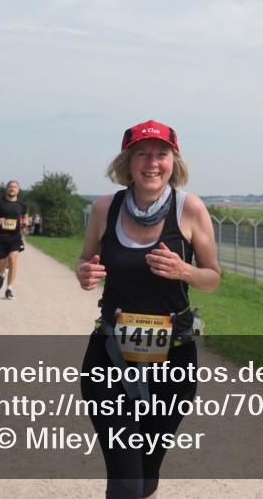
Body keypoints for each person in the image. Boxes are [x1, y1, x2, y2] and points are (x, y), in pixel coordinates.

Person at [76, 119, 220, 499]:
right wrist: (86, 272)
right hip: (110, 356)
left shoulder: (190, 209)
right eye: (143, 153)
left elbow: (213, 277)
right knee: (125, 480)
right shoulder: (106, 207)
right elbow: (85, 261)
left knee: (146, 474)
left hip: (172, 359)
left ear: (174, 161)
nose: (152, 163)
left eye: (162, 154)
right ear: (128, 161)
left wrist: (184, 270)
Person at [0, 180, 28, 300]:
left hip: (15, 237)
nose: (12, 189)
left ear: (18, 190)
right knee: (1, 264)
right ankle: (2, 274)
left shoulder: (22, 205)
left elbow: (26, 216)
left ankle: (9, 288)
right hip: (0, 237)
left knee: (12, 260)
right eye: (10, 187)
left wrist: (26, 222)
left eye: (15, 187)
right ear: (6, 189)